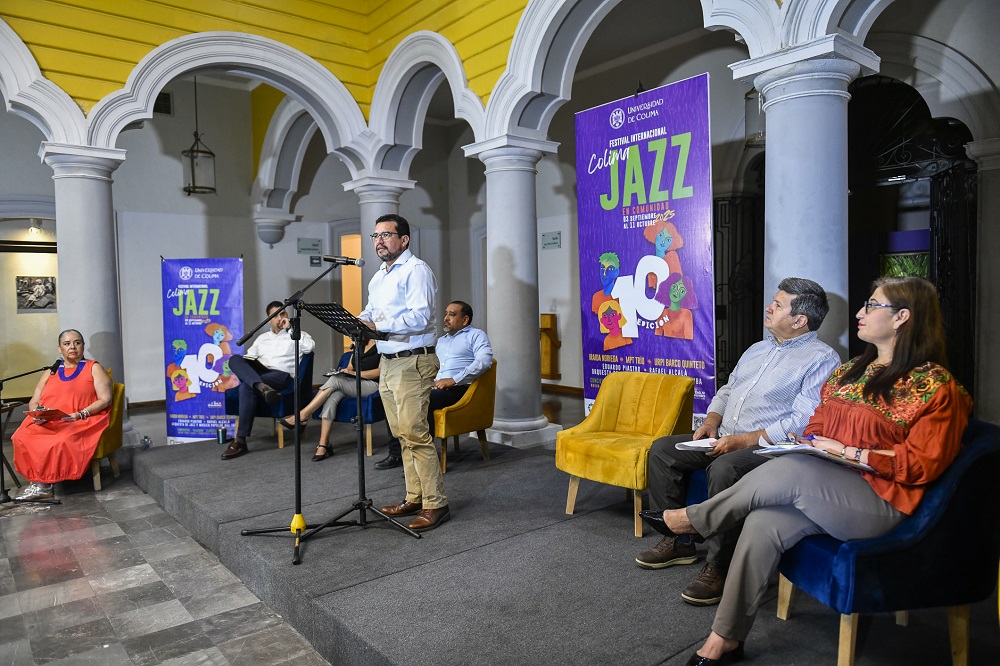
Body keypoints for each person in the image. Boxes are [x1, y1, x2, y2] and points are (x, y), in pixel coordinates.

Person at [660, 276, 972, 665]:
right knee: (762, 522)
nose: (859, 313)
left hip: (882, 503)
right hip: (829, 485)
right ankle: (724, 641)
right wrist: (816, 442)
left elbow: (920, 465)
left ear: (901, 317)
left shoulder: (936, 387)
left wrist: (852, 453)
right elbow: (816, 423)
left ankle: (695, 520)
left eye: (871, 306)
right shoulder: (851, 372)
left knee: (792, 471)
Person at [637, 277, 841, 607]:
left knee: (725, 468)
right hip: (724, 435)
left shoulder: (822, 359)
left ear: (800, 320)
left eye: (778, 304)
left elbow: (802, 422)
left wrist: (745, 440)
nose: (768, 307)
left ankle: (720, 565)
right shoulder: (758, 348)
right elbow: (728, 390)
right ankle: (679, 541)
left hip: (770, 448)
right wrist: (712, 421)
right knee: (663, 450)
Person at [359, 213, 449, 532]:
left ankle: (436, 502)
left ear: (403, 239)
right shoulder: (379, 276)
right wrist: (357, 321)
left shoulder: (416, 270)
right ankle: (414, 496)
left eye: (385, 235)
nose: (379, 241)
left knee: (415, 432)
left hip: (413, 360)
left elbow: (420, 317)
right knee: (401, 434)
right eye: (375, 236)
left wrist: (376, 326)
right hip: (388, 361)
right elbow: (372, 311)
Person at [374, 300, 494, 470]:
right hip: (435, 386)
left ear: (465, 320)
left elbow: (484, 361)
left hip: (460, 390)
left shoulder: (476, 335)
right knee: (395, 397)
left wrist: (454, 380)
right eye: (445, 314)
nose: (446, 318)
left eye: (452, 315)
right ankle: (396, 454)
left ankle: (425, 461)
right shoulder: (441, 341)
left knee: (422, 400)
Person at [11, 329, 113, 500]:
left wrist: (80, 414)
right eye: (67, 344)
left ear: (83, 346)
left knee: (58, 440)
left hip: (80, 419)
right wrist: (37, 413)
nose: (72, 347)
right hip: (49, 419)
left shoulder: (93, 367)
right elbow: (34, 399)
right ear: (60, 348)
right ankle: (38, 482)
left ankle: (44, 485)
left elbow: (106, 399)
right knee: (20, 436)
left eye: (77, 342)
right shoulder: (51, 371)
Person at [222, 301, 315, 460]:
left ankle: (240, 441)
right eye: (276, 315)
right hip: (261, 374)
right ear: (269, 319)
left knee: (246, 387)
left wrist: (291, 328)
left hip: (281, 376)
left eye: (283, 314)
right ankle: (261, 387)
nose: (280, 318)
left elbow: (310, 348)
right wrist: (250, 368)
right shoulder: (262, 338)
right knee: (235, 360)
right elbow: (249, 357)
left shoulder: (297, 334)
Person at [279, 338, 381, 462]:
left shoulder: (381, 345)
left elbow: (378, 372)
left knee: (335, 380)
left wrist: (355, 374)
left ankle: (302, 415)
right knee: (332, 397)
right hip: (353, 383)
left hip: (372, 385)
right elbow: (350, 366)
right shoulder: (358, 344)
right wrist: (346, 371)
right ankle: (323, 444)